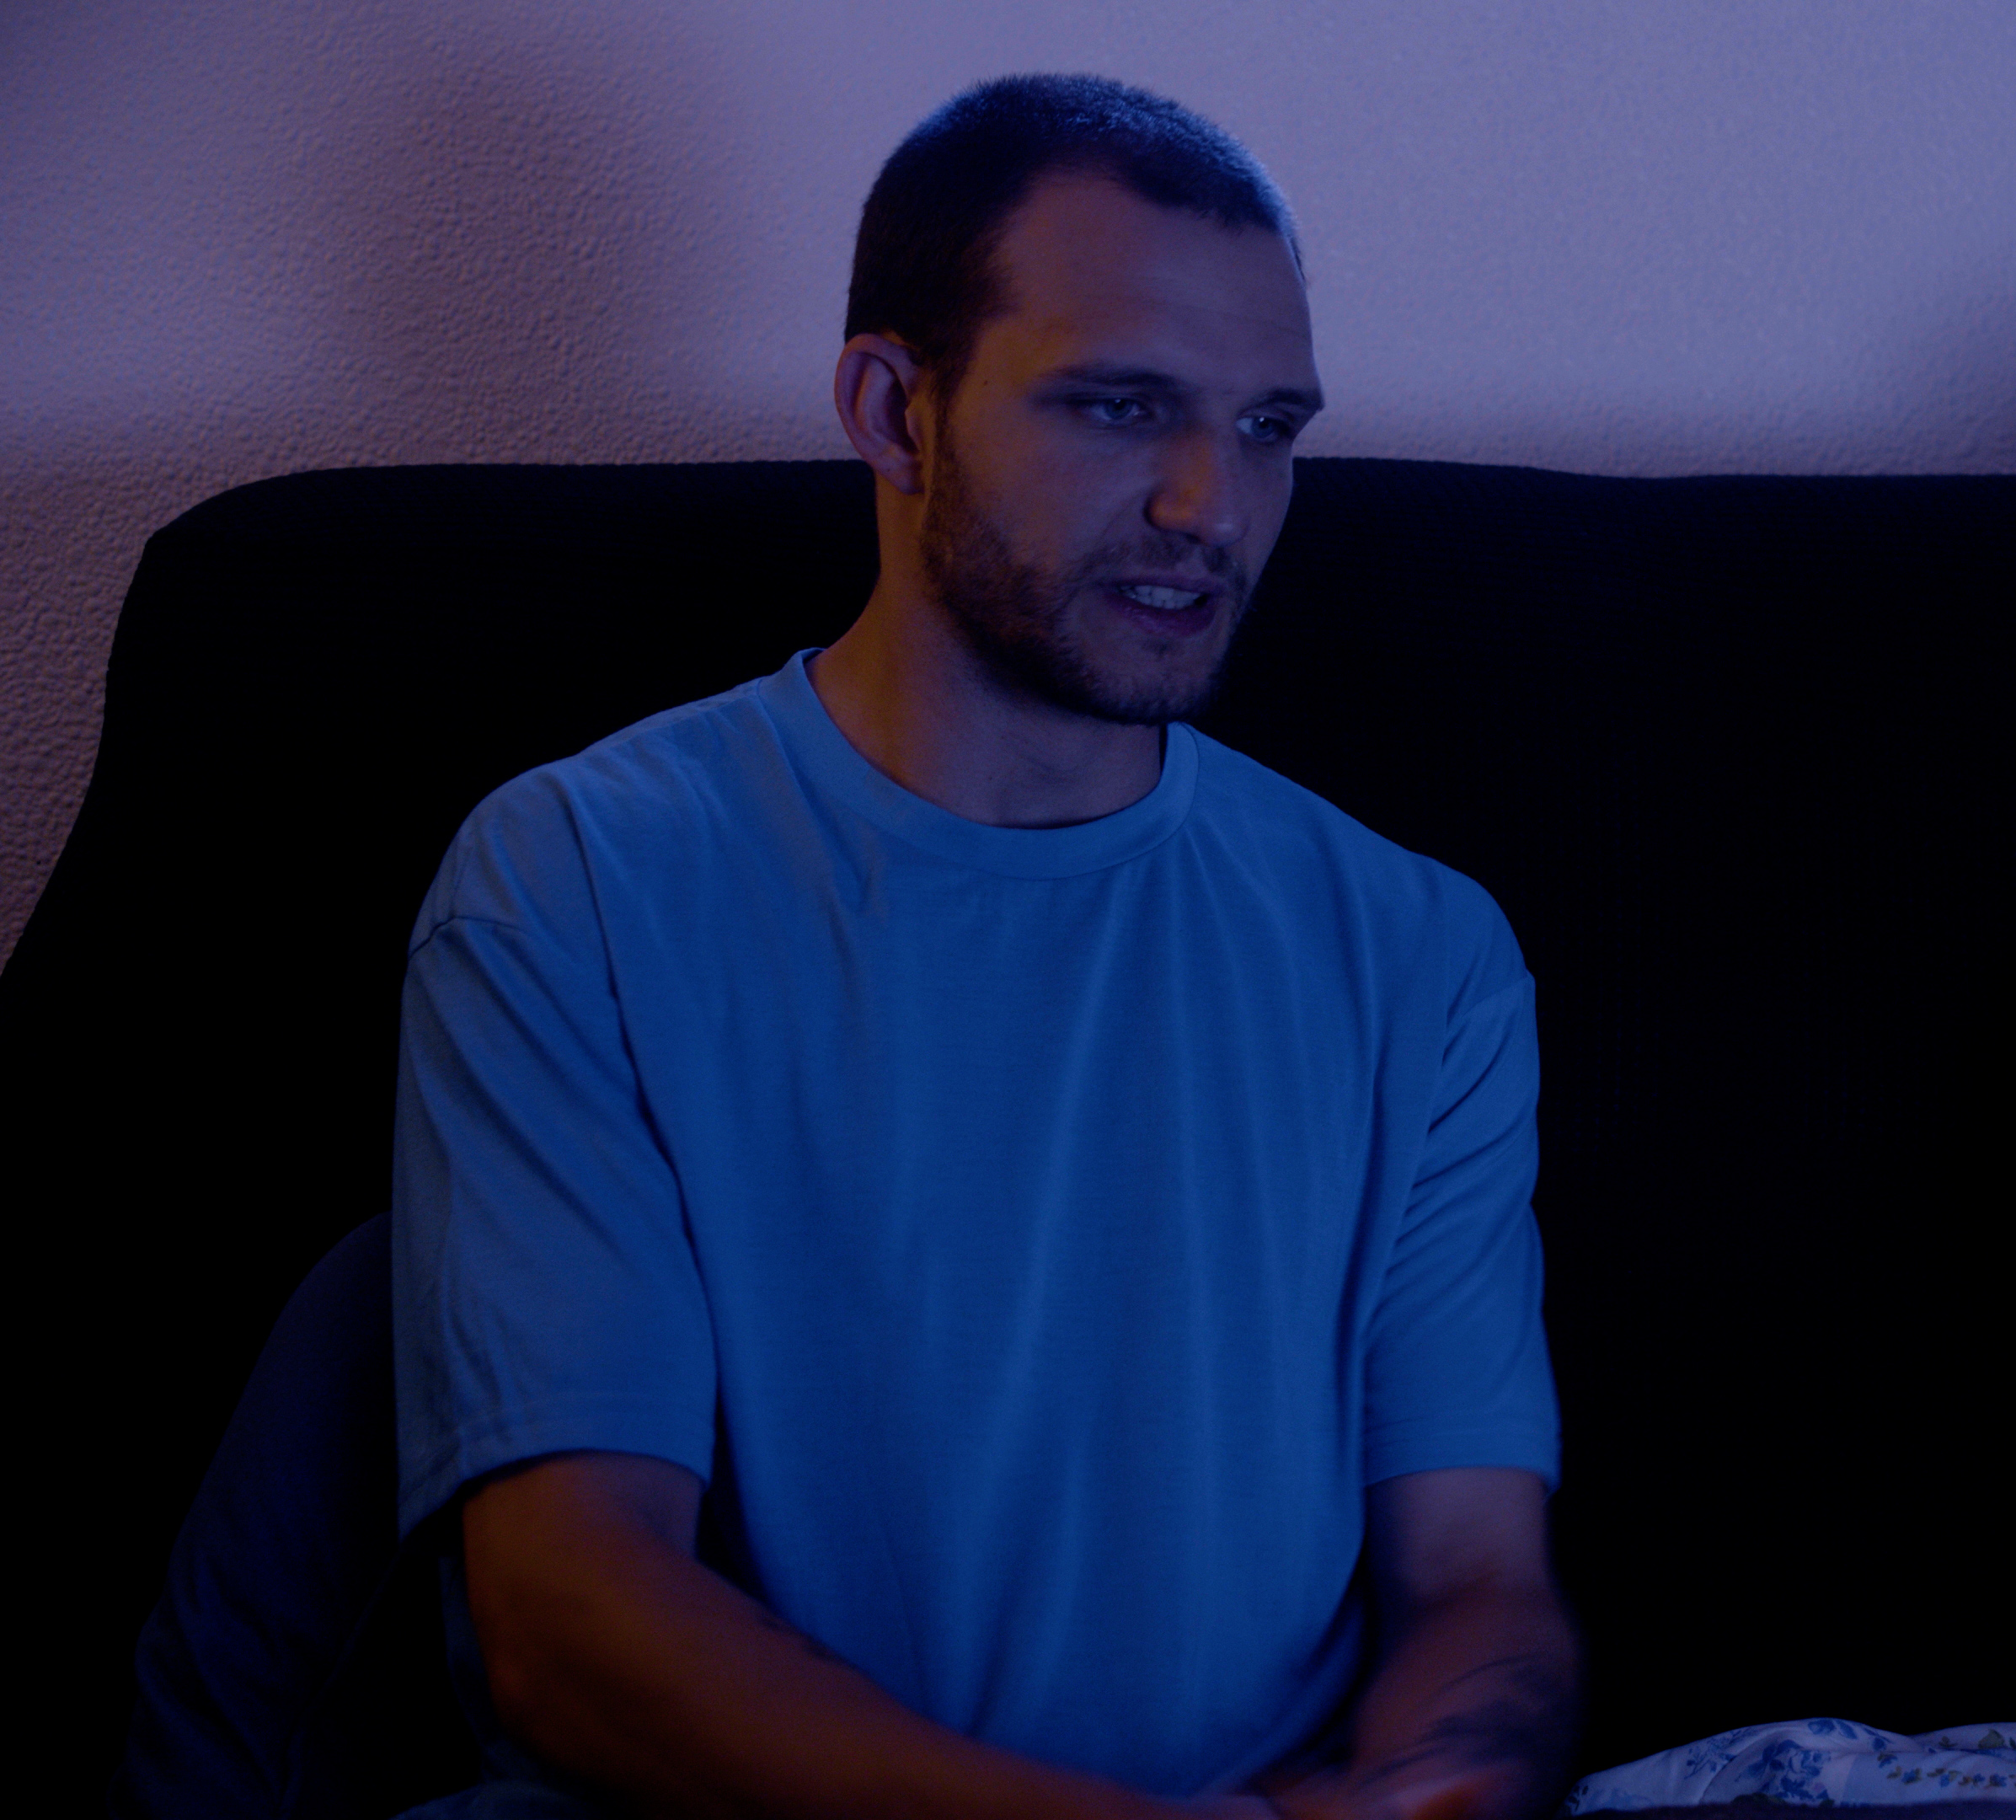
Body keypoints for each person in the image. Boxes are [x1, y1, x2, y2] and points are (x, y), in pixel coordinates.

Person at [392, 76, 1574, 1820]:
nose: (1211, 507)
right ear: (892, 409)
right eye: (1121, 407)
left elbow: (1478, 1576)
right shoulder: (576, 880)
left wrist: (1432, 1790)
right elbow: (568, 1616)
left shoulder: (1417, 951)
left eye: (1265, 427)